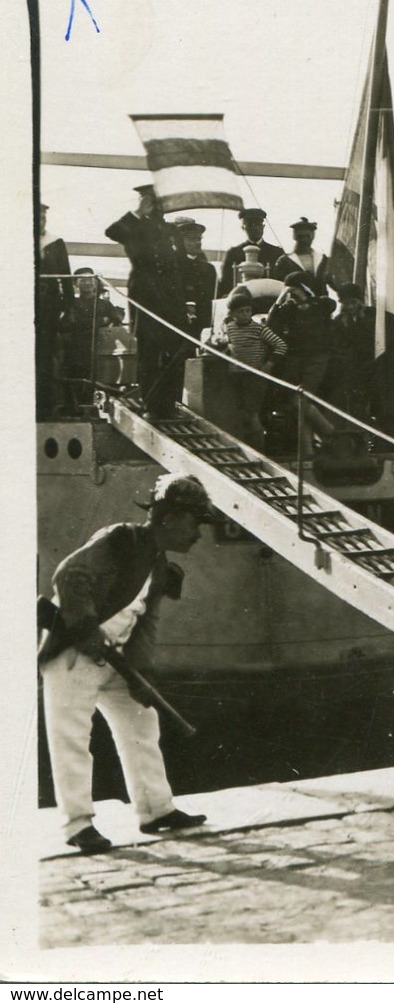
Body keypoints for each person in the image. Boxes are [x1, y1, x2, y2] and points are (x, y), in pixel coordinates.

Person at [38, 474, 219, 854]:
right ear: (168, 518)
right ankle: (78, 825)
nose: (199, 533)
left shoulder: (159, 567)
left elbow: (145, 625)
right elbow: (70, 575)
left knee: (142, 722)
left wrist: (141, 676)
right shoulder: (120, 539)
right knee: (72, 737)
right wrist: (87, 628)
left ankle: (156, 810)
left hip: (115, 659)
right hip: (74, 653)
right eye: (195, 522)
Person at [105, 185, 187, 418]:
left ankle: (169, 405)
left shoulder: (172, 230)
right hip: (146, 296)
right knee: (149, 350)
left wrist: (185, 301)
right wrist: (137, 212)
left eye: (157, 200)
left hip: (172, 299)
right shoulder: (135, 226)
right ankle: (150, 405)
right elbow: (112, 232)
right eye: (150, 201)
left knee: (173, 350)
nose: (156, 205)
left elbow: (180, 265)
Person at [267, 271, 337, 451]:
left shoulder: (321, 304)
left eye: (295, 290)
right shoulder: (288, 309)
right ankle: (312, 448)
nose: (293, 295)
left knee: (302, 401)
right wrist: (281, 298)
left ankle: (329, 433)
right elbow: (270, 323)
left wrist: (305, 298)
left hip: (317, 358)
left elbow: (328, 306)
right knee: (296, 403)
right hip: (295, 359)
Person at [220, 288, 287, 449]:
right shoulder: (229, 328)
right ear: (233, 314)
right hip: (236, 374)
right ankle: (244, 446)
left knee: (252, 413)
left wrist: (268, 365)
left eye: (248, 311)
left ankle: (258, 448)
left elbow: (281, 345)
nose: (245, 314)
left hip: (254, 375)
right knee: (239, 411)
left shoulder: (259, 329)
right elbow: (228, 345)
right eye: (241, 312)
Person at [58, 269, 126, 413]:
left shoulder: (105, 305)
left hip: (100, 348)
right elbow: (67, 325)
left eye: (90, 279)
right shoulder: (72, 304)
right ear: (76, 284)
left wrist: (104, 322)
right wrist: (101, 320)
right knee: (77, 378)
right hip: (76, 348)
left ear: (95, 283)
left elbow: (117, 321)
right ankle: (77, 410)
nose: (87, 283)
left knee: (98, 379)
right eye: (82, 280)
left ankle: (96, 408)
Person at [37, 203, 73, 421]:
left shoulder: (55, 243)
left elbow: (66, 277)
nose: (40, 221)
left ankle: (45, 409)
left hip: (48, 307)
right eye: (37, 217)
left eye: (43, 218)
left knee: (45, 358)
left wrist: (69, 308)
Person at [327, 282, 377, 421]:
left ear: (360, 301)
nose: (351, 307)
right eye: (347, 303)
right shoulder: (338, 322)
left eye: (353, 302)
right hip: (351, 366)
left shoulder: (371, 316)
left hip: (371, 363)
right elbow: (338, 345)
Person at [216, 208, 286, 298]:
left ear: (263, 227)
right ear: (243, 227)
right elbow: (225, 284)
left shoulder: (277, 253)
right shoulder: (233, 253)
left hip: (268, 300)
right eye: (250, 225)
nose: (255, 228)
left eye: (258, 224)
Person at [171, 217, 217, 345]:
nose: (197, 243)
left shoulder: (208, 269)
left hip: (204, 330)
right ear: (179, 241)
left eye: (199, 239)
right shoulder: (170, 267)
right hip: (177, 329)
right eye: (192, 239)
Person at [271, 217, 329, 292]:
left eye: (307, 236)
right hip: (294, 301)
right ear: (294, 236)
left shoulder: (323, 260)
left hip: (321, 302)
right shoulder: (284, 261)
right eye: (300, 237)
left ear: (313, 236)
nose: (304, 240)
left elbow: (335, 282)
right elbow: (278, 286)